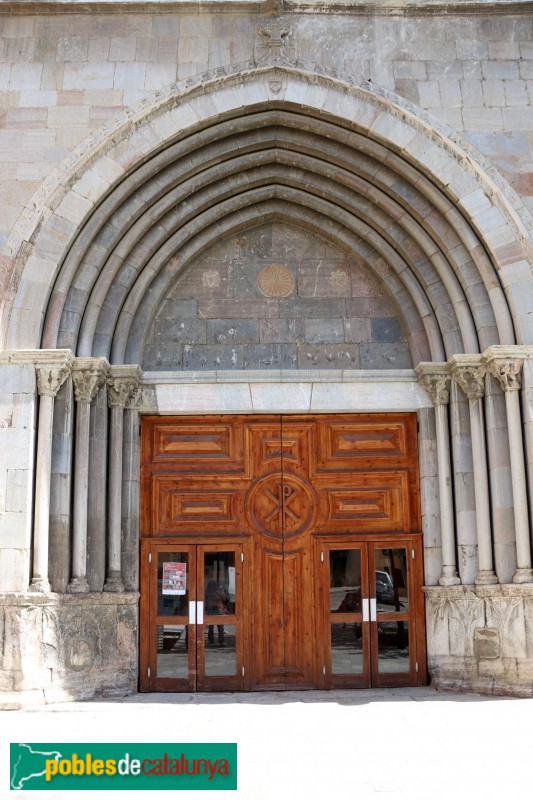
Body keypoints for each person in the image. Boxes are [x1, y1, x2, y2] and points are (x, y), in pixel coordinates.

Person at [205, 580, 230, 646]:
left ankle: (221, 641)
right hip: (211, 609)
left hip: (219, 610)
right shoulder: (208, 592)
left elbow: (225, 600)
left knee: (220, 627)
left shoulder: (220, 591)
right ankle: (211, 641)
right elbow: (208, 600)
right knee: (211, 627)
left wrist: (222, 594)